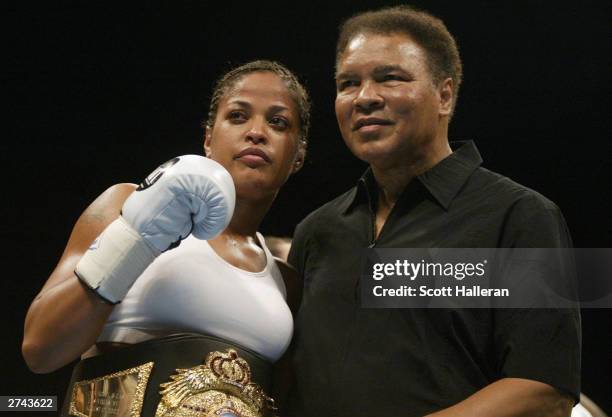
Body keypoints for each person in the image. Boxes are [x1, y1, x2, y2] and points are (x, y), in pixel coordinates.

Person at [287, 6, 580, 417]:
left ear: (444, 95)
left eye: (390, 78)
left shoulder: (518, 216)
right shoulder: (316, 231)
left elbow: (544, 391)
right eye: (348, 83)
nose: (365, 97)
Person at [22, 60, 310, 417]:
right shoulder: (124, 205)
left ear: (298, 154)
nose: (256, 131)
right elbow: (40, 348)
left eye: (278, 122)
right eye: (238, 116)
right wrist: (136, 238)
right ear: (208, 138)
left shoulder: (286, 279)